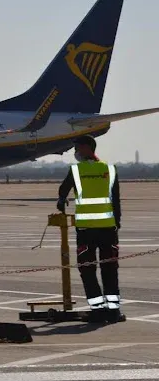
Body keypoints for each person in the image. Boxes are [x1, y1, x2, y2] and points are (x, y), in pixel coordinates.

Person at [57, 134, 123, 323]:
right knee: (110, 269)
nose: (76, 152)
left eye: (77, 148)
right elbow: (116, 200)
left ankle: (98, 309)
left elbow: (63, 191)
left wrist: (61, 202)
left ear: (86, 148)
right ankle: (114, 311)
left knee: (87, 270)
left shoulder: (76, 171)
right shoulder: (110, 169)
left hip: (86, 230)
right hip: (108, 229)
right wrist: (117, 223)